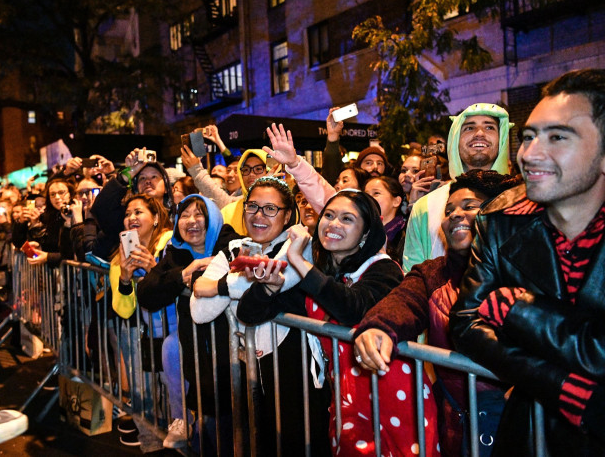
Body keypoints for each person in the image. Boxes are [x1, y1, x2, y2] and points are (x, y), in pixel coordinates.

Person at [450, 69, 605, 455]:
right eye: (530, 136)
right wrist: (563, 386)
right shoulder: (499, 224)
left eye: (557, 137)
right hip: (528, 435)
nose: (529, 154)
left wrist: (519, 312)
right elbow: (466, 324)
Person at [239, 189, 437, 456]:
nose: (333, 224)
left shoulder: (384, 269)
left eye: (347, 219)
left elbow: (352, 309)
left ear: (366, 233)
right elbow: (248, 313)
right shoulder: (321, 273)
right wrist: (270, 288)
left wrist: (298, 261)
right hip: (345, 395)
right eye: (329, 215)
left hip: (391, 391)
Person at [355, 171, 520, 456]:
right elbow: (402, 302)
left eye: (469, 206)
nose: (455, 215)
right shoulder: (432, 272)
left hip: (521, 421)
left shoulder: (528, 266)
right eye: (449, 210)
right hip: (455, 419)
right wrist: (377, 328)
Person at [192, 177, 331, 456]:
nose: (259, 216)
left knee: (300, 443)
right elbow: (199, 311)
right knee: (262, 442)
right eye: (253, 206)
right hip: (252, 367)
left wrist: (217, 285)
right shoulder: (232, 248)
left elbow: (280, 278)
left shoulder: (299, 246)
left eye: (270, 209)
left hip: (296, 367)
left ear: (287, 215)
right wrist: (241, 282)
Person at [137, 195, 240, 452]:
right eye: (184, 215)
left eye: (199, 214)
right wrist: (183, 273)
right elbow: (147, 292)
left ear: (214, 218)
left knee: (231, 428)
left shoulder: (231, 243)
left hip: (231, 354)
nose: (191, 221)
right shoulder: (176, 251)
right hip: (195, 352)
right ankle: (184, 420)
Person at [402, 103, 512, 272]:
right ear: (455, 139)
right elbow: (412, 274)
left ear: (502, 138)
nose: (479, 134)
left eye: (489, 127)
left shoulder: (522, 199)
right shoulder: (425, 206)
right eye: (469, 128)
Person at [108, 194, 172, 446]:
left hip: (169, 329)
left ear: (155, 218)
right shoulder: (118, 259)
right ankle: (151, 445)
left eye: (138, 212)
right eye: (128, 214)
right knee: (144, 396)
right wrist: (125, 278)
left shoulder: (169, 243)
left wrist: (153, 267)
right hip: (137, 333)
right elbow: (123, 309)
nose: (131, 218)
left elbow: (174, 283)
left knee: (173, 395)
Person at [218, 150, 269, 235]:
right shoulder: (227, 212)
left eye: (258, 169)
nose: (251, 174)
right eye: (246, 170)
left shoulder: (283, 208)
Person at [363, 176, 406, 264]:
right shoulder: (361, 232)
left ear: (396, 201)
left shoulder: (405, 234)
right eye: (366, 195)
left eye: (376, 193)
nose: (369, 198)